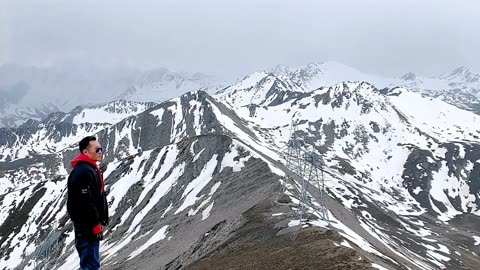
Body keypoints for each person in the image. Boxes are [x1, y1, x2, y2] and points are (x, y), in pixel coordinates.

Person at [67, 136, 109, 270]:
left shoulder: (87, 168)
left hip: (86, 226)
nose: (100, 151)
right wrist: (95, 224)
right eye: (97, 149)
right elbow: (85, 203)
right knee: (90, 265)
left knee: (89, 263)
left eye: (101, 148)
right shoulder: (84, 171)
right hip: (87, 227)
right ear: (85, 152)